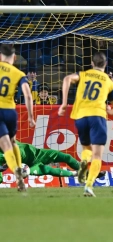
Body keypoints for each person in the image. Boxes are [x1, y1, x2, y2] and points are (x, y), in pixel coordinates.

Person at [58, 52, 113, 197]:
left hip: (80, 116)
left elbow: (67, 79)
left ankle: (83, 163)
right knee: (98, 155)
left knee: (86, 148)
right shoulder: (108, 82)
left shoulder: (84, 74)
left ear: (92, 64)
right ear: (105, 65)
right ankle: (89, 185)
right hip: (97, 116)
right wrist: (109, 111)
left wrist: (64, 103)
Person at [0, 44, 35, 192]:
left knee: (5, 146)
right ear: (14, 58)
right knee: (13, 142)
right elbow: (27, 95)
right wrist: (31, 117)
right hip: (10, 111)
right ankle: (19, 174)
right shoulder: (19, 73)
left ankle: (16, 172)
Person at [0, 140, 106, 182]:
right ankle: (78, 174)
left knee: (66, 157)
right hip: (29, 166)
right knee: (46, 169)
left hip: (37, 154)